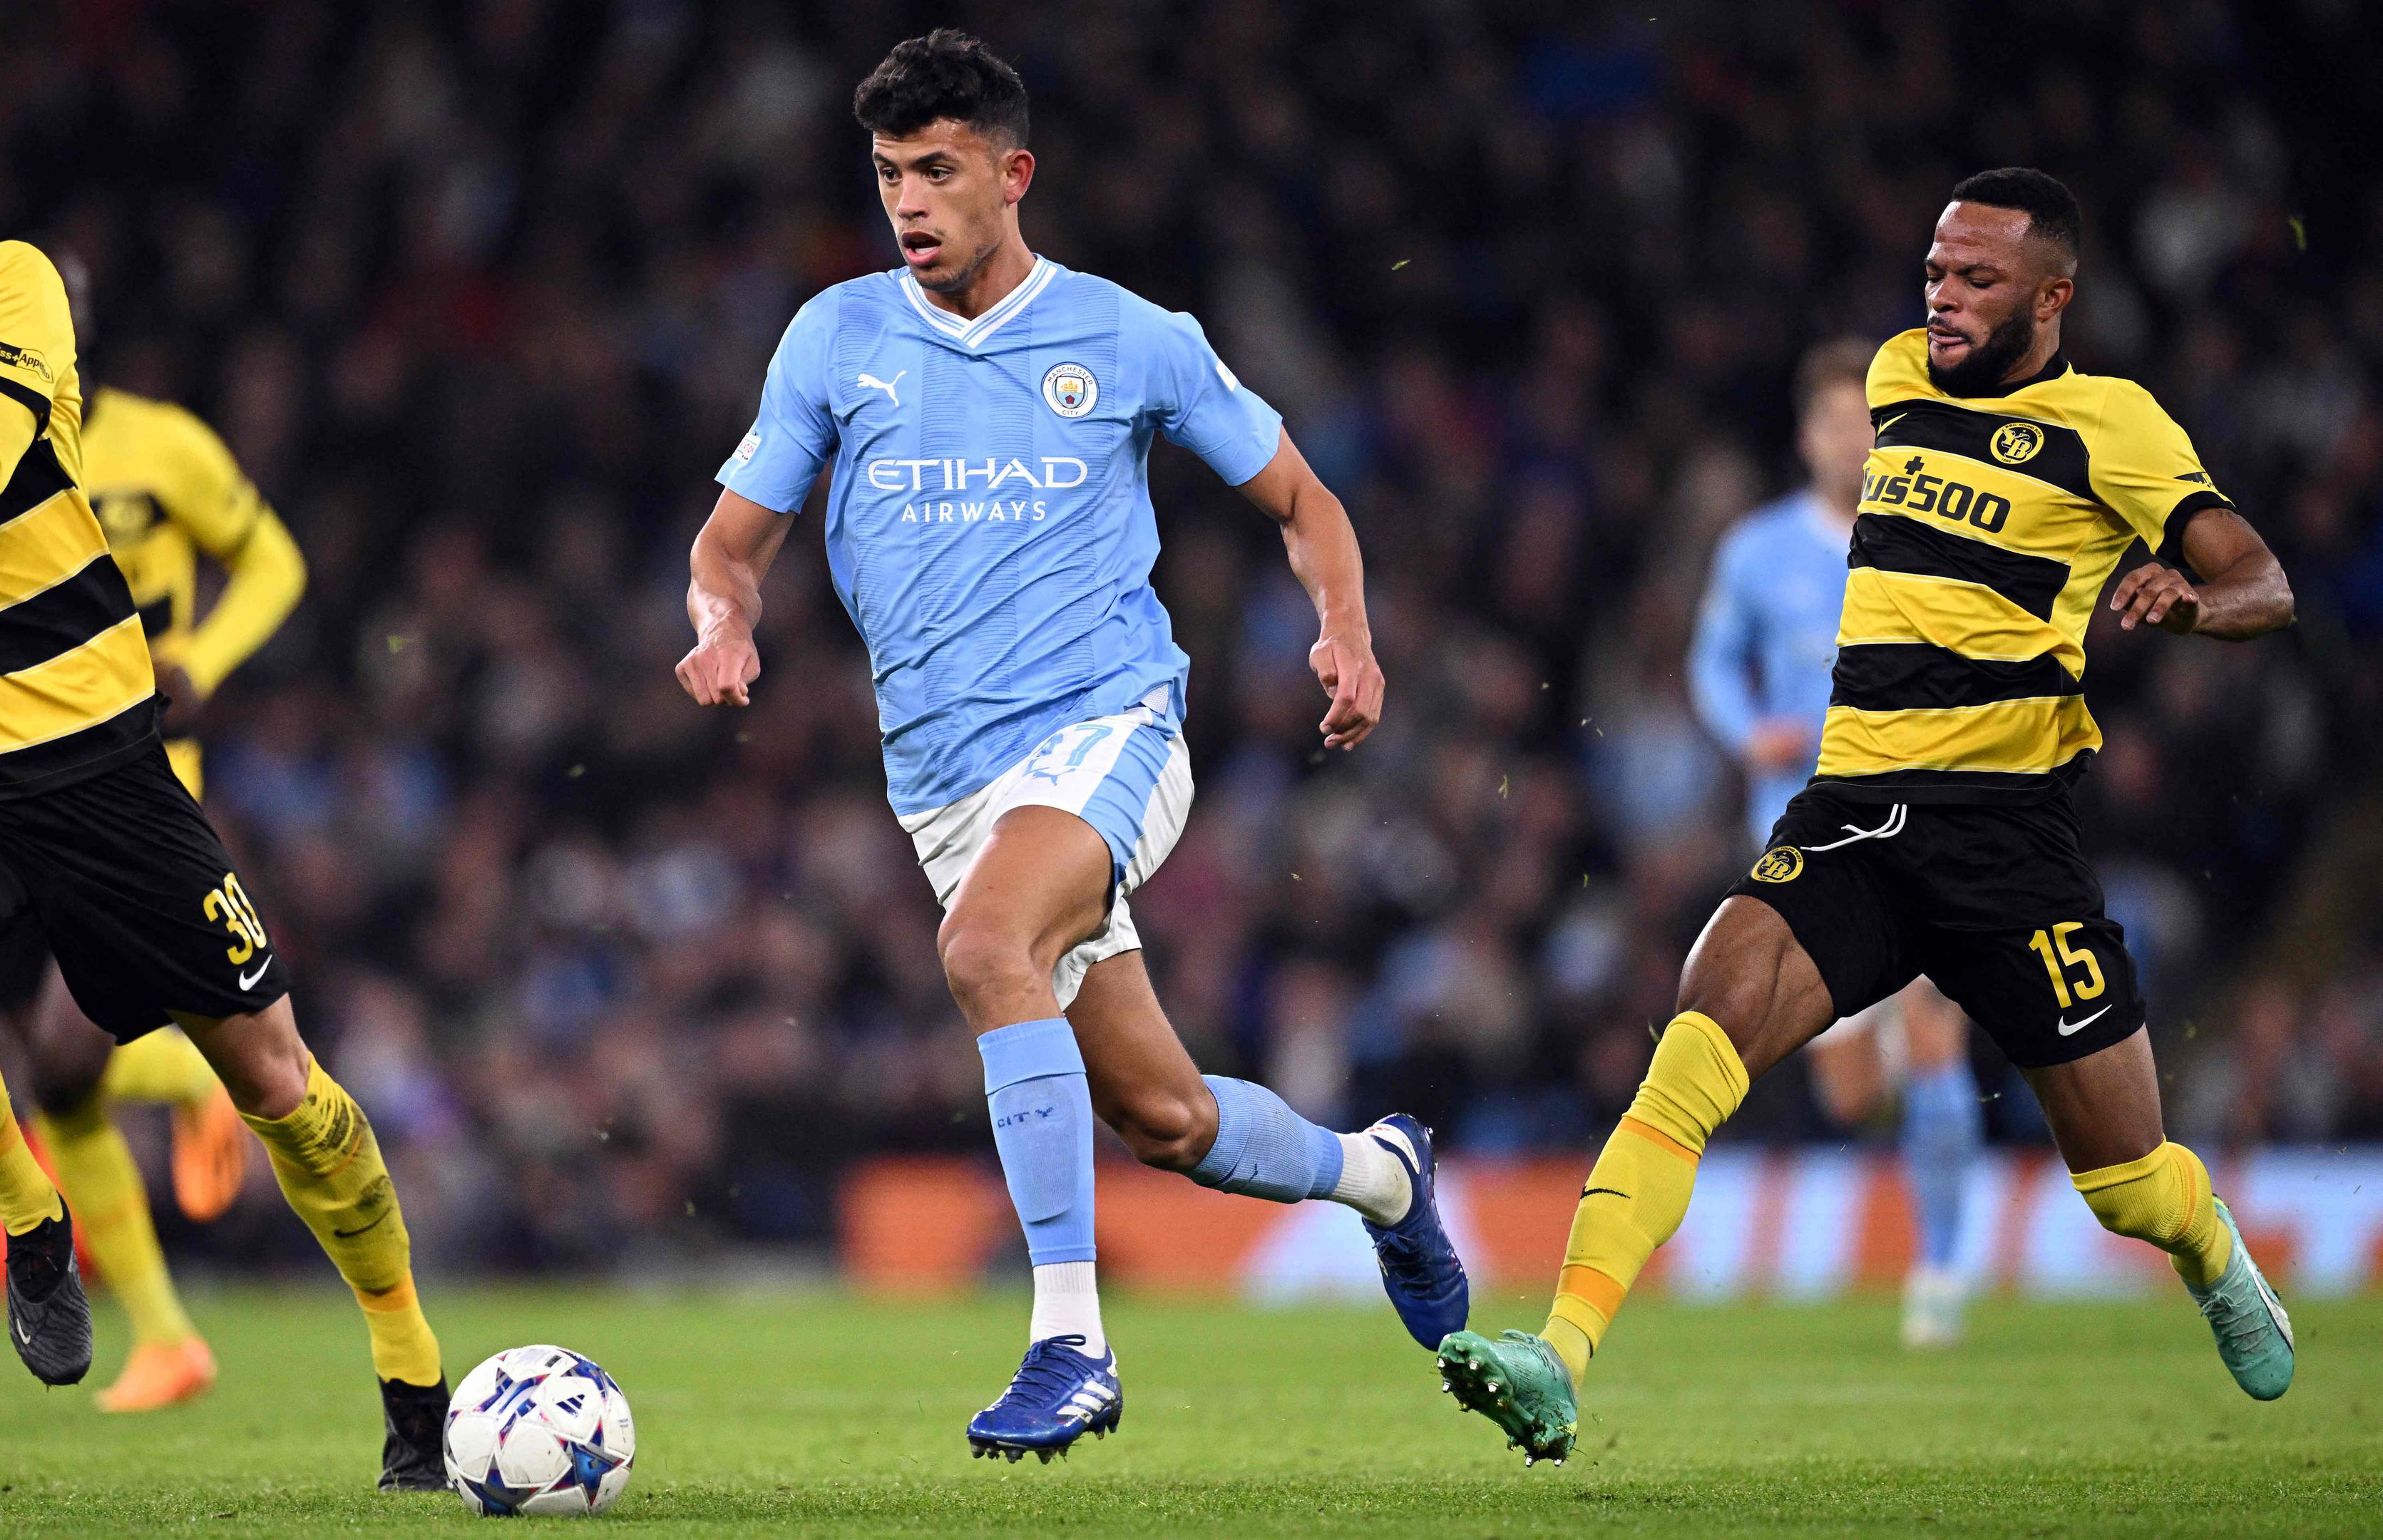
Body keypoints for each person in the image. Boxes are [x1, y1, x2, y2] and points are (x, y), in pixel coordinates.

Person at [677, 30, 1466, 1462]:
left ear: (1013, 174)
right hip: (943, 788)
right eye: (885, 174)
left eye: (936, 170)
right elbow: (731, 546)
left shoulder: (1131, 338)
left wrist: (1346, 633)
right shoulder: (836, 339)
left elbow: (1305, 505)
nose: (907, 202)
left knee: (986, 953)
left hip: (1111, 729)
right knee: (1164, 1119)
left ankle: (1068, 1344)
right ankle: (1386, 1180)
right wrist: (725, 623)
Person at [1440, 168, 2298, 1465]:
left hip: (2008, 839)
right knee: (1698, 1027)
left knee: (2124, 1181)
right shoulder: (1896, 375)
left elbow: (2267, 581)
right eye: (1937, 273)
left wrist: (2191, 600)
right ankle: (1558, 1356)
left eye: (1979, 281)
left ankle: (2212, 1245)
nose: (1944, 300)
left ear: (2053, 298)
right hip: (1854, 811)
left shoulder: (2112, 426)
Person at [0, 67, 444, 1487]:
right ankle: (31, 1220)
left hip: (105, 769)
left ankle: (410, 1371)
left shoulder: (15, 295)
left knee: (286, 1087)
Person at [0, 249, 311, 1414]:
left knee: (67, 1052)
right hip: (3, 771)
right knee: (51, 1064)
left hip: (136, 768)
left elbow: (274, 558)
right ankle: (167, 1334)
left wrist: (203, 659)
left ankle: (200, 1083)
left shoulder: (161, 444)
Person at [1686, 338, 1982, 1348]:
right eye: (1835, 421)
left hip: (1908, 818)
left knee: (1933, 1031)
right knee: (1851, 1091)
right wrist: (1745, 729)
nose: (1854, 438)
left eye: (1870, 418)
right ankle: (1914, 1096)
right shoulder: (1757, 552)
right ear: (1808, 436)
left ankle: (1940, 1274)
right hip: (1797, 832)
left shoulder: (1934, 541)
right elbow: (1712, 666)